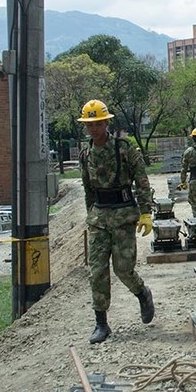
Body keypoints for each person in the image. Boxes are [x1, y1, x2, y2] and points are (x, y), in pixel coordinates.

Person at [78, 99, 155, 344]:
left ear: (106, 122)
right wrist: (90, 212)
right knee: (97, 271)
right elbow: (87, 188)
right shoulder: (86, 153)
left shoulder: (124, 148)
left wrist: (145, 212)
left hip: (122, 216)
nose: (93, 129)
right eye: (89, 125)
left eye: (97, 123)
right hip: (99, 217)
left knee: (123, 269)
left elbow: (141, 180)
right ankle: (101, 323)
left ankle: (142, 293)